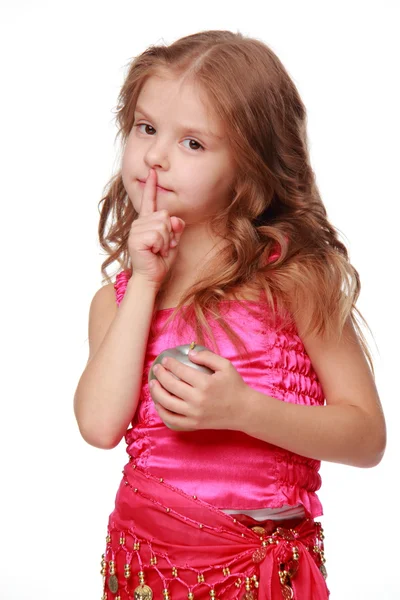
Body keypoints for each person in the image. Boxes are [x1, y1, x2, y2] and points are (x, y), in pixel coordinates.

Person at [73, 30, 386, 600]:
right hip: (149, 570)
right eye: (146, 128)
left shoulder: (295, 285)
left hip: (258, 576)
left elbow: (366, 437)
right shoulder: (118, 302)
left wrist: (244, 410)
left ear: (249, 167)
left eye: (193, 143)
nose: (156, 156)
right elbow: (98, 427)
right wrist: (145, 281)